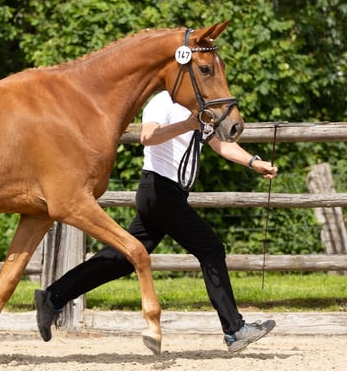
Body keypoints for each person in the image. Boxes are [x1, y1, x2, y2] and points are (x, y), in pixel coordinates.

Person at [34, 90, 279, 353]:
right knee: (211, 249)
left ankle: (53, 297)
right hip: (159, 192)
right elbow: (147, 137)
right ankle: (234, 330)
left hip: (169, 196)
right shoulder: (162, 102)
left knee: (122, 259)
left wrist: (253, 163)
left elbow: (219, 143)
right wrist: (187, 124)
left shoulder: (198, 108)